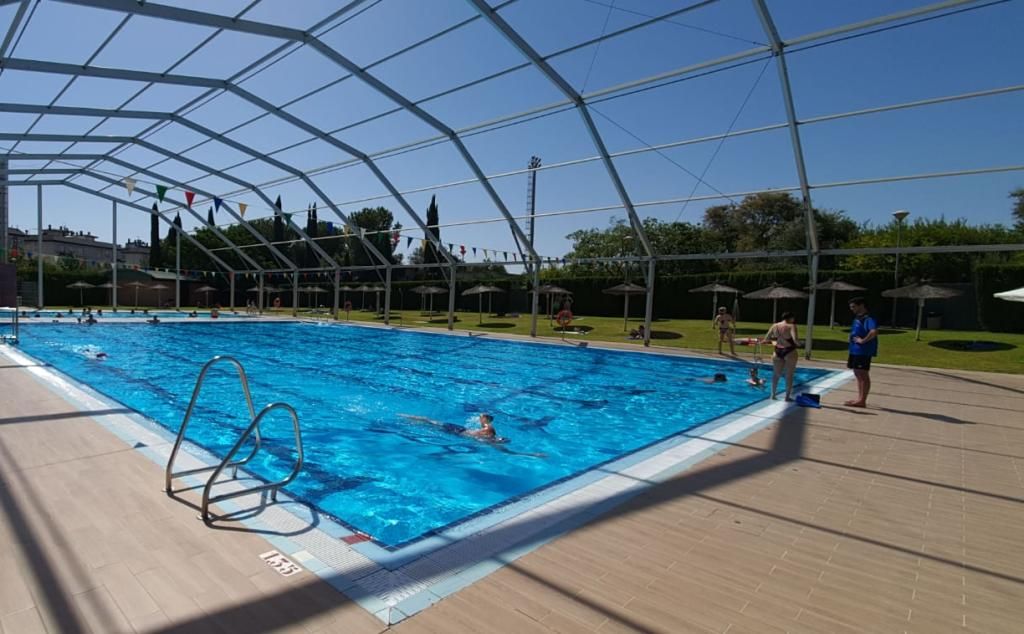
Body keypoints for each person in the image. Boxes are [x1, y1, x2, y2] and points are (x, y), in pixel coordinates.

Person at [399, 413, 546, 457]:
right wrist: (483, 421)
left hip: (459, 432)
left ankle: (412, 419)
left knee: (432, 423)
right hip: (460, 430)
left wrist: (533, 454)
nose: (499, 439)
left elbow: (512, 453)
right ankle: (412, 418)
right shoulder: (490, 433)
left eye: (500, 440)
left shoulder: (491, 439)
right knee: (432, 422)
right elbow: (487, 427)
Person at [845, 297, 879, 408]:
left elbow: (873, 331)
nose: (851, 309)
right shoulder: (858, 318)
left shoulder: (868, 318)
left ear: (861, 305)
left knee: (863, 374)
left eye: (853, 306)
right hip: (855, 350)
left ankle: (862, 400)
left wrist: (863, 341)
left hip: (863, 351)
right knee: (857, 373)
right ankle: (859, 398)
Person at [765, 312, 800, 401]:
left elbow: (767, 338)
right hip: (789, 351)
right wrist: (801, 344)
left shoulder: (775, 325)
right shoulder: (791, 326)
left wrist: (777, 341)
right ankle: (787, 397)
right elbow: (795, 340)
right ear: (791, 318)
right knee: (789, 375)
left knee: (776, 374)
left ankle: (773, 395)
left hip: (777, 351)